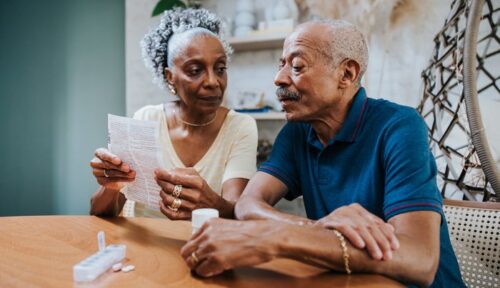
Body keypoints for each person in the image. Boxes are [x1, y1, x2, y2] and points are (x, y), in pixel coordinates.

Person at [180, 20, 466, 287]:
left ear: (346, 73)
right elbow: (248, 205)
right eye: (281, 65)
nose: (279, 78)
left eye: (297, 66)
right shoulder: (297, 132)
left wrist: (280, 236)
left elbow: (419, 260)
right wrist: (316, 229)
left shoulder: (399, 126)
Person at [89, 8, 257, 219]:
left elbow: (237, 211)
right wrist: (111, 185)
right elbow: (99, 211)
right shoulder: (146, 119)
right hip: (140, 246)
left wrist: (209, 203)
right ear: (170, 77)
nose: (213, 81)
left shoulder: (240, 126)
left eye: (220, 68)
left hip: (204, 248)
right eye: (195, 70)